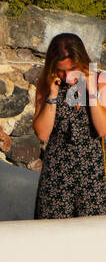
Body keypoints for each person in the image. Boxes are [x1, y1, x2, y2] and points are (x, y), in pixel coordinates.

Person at [32, 32, 106, 219]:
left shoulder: (100, 80)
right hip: (57, 173)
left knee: (91, 236)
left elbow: (102, 129)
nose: (66, 76)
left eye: (72, 69)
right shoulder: (47, 84)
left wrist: (91, 92)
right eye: (60, 70)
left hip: (93, 174)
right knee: (52, 235)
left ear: (82, 61)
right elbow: (42, 134)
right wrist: (52, 95)